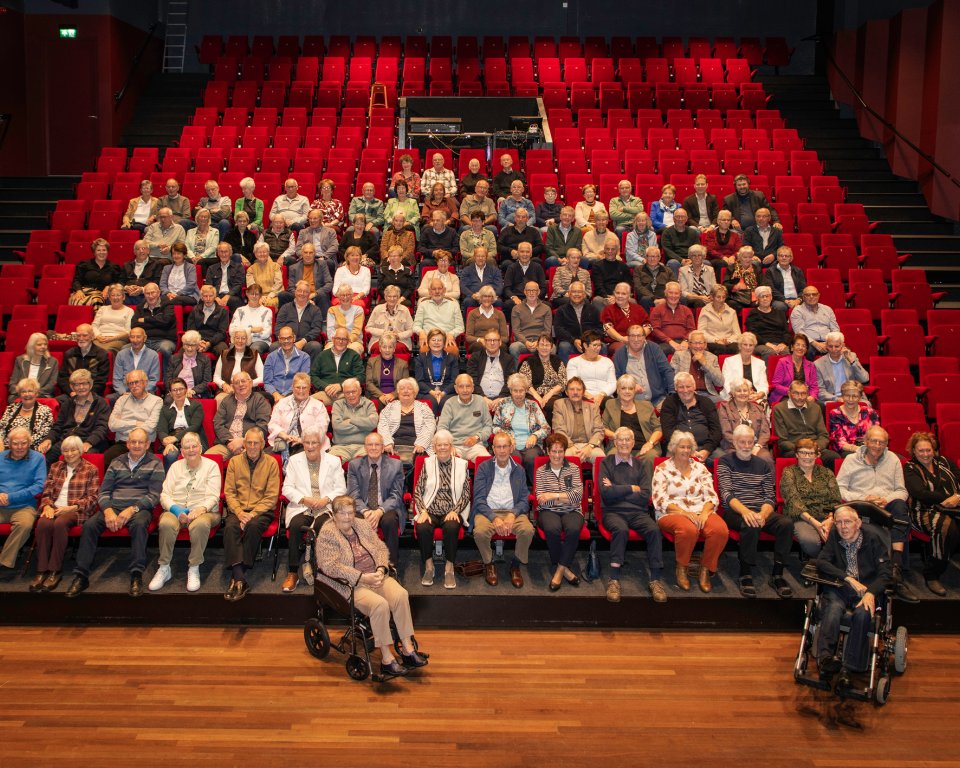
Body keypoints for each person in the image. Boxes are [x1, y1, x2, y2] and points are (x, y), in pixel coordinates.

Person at [316, 495, 428, 677]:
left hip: (375, 576)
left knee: (400, 594)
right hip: (351, 585)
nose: (347, 517)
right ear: (334, 514)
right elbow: (330, 566)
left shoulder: (361, 524)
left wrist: (381, 568)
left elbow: (380, 548)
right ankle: (386, 659)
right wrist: (362, 577)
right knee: (380, 605)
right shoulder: (328, 533)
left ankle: (408, 649)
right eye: (342, 513)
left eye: (350, 512)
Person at [64, 428, 164, 598]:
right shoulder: (116, 462)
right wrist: (108, 510)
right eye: (133, 442)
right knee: (89, 525)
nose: (137, 445)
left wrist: (132, 509)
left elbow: (154, 495)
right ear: (127, 443)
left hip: (140, 507)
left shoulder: (155, 463)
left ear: (147, 444)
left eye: (141, 442)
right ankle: (81, 575)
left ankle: (136, 573)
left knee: (139, 525)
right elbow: (103, 492)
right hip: (113, 506)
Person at [836, 425, 918, 602]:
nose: (878, 445)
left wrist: (885, 499)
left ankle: (896, 566)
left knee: (900, 507)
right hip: (860, 506)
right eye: (874, 441)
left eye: (882, 442)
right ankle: (892, 575)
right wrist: (864, 498)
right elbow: (839, 489)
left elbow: (902, 491)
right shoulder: (851, 460)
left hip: (885, 505)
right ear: (866, 441)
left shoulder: (893, 459)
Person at [814, 505, 892, 683]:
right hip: (841, 588)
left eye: (847, 522)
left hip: (866, 591)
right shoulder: (834, 537)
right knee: (832, 609)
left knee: (862, 615)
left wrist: (871, 593)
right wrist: (847, 578)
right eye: (839, 523)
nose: (843, 527)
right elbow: (822, 562)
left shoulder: (873, 540)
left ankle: (849, 667)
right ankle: (825, 659)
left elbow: (886, 572)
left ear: (858, 523)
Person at [717, 424, 794, 598]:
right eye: (742, 442)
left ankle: (778, 573)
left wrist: (762, 514)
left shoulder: (763, 464)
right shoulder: (725, 462)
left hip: (761, 510)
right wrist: (747, 513)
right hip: (735, 511)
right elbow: (727, 494)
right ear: (735, 443)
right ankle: (745, 572)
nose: (746, 446)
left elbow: (769, 497)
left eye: (749, 442)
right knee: (749, 524)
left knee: (786, 524)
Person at [652, 430, 728, 592]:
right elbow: (659, 500)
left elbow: (711, 496)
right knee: (688, 529)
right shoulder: (662, 468)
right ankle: (682, 567)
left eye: (689, 447)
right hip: (671, 512)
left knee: (720, 530)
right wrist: (685, 513)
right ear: (673, 448)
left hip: (701, 510)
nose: (686, 450)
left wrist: (705, 513)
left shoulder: (700, 468)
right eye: (682, 447)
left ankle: (705, 569)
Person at [598, 427, 667, 603]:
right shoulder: (606, 463)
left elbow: (645, 495)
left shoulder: (641, 465)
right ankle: (614, 579)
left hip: (638, 512)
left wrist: (616, 488)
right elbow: (605, 494)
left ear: (633, 443)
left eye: (628, 440)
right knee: (620, 530)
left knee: (653, 530)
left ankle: (655, 580)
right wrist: (630, 488)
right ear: (614, 443)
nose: (624, 443)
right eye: (620, 440)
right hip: (613, 512)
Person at [149, 432, 221, 593]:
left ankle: (194, 567)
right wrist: (176, 510)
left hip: (205, 510)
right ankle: (164, 567)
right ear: (181, 451)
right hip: (176, 508)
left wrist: (200, 510)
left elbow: (213, 496)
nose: (191, 450)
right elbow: (165, 495)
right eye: (186, 447)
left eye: (194, 446)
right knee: (166, 523)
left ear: (201, 448)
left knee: (200, 525)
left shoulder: (212, 466)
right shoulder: (175, 467)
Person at [29, 436, 100, 592]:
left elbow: (94, 497)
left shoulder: (90, 469)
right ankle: (41, 570)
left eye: (73, 450)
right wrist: (47, 506)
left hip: (76, 511)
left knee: (60, 523)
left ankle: (55, 570)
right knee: (43, 523)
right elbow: (46, 491)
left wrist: (73, 507)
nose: (69, 454)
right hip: (54, 508)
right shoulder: (55, 467)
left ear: (81, 451)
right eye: (66, 450)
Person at [278, 429, 344, 592]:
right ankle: (293, 572)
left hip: (325, 506)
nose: (310, 446)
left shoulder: (334, 461)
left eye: (314, 442)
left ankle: (326, 572)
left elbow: (341, 488)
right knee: (296, 526)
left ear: (321, 444)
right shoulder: (294, 461)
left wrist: (326, 499)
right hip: (302, 506)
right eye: (307, 442)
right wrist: (304, 499)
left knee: (323, 526)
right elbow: (286, 488)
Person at [222, 427, 281, 602]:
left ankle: (237, 574)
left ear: (263, 444)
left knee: (254, 526)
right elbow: (229, 492)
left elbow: (271, 496)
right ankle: (240, 578)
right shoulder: (234, 462)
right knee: (230, 527)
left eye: (256, 443)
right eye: (249, 442)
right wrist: (240, 512)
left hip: (261, 510)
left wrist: (252, 513)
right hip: (238, 509)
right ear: (244, 443)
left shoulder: (271, 463)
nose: (253, 446)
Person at [471, 431, 534, 588]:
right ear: (493, 448)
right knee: (479, 533)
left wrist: (512, 515)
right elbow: (478, 499)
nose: (502, 450)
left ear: (511, 448)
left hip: (512, 511)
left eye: (505, 446)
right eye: (498, 447)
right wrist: (494, 518)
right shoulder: (484, 468)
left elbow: (524, 500)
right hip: (487, 511)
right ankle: (489, 563)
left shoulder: (519, 469)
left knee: (527, 530)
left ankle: (515, 564)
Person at [904, 431, 960, 596]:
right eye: (921, 451)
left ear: (934, 449)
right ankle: (932, 573)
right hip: (922, 511)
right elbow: (920, 493)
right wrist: (949, 497)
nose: (925, 454)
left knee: (951, 524)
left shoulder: (945, 462)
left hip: (954, 507)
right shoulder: (910, 467)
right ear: (914, 451)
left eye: (928, 450)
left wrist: (957, 497)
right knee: (945, 527)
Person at [414, 430, 470, 589]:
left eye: (446, 444)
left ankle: (449, 567)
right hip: (430, 508)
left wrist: (456, 510)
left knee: (452, 527)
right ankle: (429, 565)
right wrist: (423, 511)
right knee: (423, 527)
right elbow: (418, 490)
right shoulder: (427, 463)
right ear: (434, 447)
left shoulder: (462, 464)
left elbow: (466, 493)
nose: (443, 448)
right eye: (440, 445)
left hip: (451, 509)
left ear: (451, 446)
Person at [346, 432, 406, 567]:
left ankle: (391, 565)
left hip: (386, 507)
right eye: (370, 444)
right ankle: (359, 565)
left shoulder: (395, 465)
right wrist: (366, 512)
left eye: (377, 444)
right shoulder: (354, 465)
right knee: (354, 518)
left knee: (389, 520)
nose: (373, 448)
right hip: (363, 506)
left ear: (383, 447)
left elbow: (396, 495)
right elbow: (353, 494)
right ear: (365, 447)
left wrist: (379, 511)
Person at [536, 432, 586, 591]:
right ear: (548, 452)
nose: (557, 455)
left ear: (565, 452)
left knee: (573, 529)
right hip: (547, 511)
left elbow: (577, 496)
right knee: (552, 528)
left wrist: (553, 495)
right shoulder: (541, 471)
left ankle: (559, 570)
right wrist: (565, 497)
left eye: (560, 451)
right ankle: (565, 570)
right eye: (554, 451)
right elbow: (541, 499)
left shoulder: (574, 468)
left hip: (572, 511)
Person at [781, 437, 843, 558]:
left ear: (817, 455)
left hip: (827, 517)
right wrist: (816, 524)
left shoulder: (826, 472)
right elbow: (794, 502)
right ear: (796, 455)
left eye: (811, 453)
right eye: (803, 452)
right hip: (802, 517)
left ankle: (831, 564)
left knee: (844, 535)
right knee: (812, 544)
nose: (807, 457)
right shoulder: (789, 473)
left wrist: (830, 519)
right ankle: (822, 562)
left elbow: (836, 499)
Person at [0, 426, 47, 570]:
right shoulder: (0, 457)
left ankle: (3, 562)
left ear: (29, 442)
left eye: (23, 443)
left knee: (24, 525)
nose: (19, 447)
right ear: (9, 443)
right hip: (0, 504)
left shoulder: (38, 458)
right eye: (15, 443)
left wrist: (11, 497)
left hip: (24, 506)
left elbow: (39, 485)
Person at [40, 369, 110, 464]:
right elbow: (58, 426)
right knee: (43, 459)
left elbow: (101, 428)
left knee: (86, 459)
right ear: (72, 387)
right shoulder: (68, 403)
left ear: (91, 384)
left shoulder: (100, 403)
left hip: (89, 441)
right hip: (66, 441)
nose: (81, 387)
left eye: (84, 383)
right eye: (77, 384)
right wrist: (48, 439)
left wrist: (89, 442)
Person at [491, 373, 548, 483]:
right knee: (514, 459)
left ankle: (536, 490)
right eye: (515, 390)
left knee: (532, 458)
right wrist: (507, 437)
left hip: (531, 445)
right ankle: (514, 490)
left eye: (521, 390)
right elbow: (495, 427)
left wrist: (535, 435)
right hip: (510, 445)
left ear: (526, 390)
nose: (518, 394)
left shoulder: (533, 405)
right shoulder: (503, 404)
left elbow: (546, 428)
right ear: (510, 390)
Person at [659, 372, 723, 464]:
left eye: (688, 386)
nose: (685, 390)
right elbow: (668, 431)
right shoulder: (669, 403)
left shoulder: (706, 402)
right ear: (676, 389)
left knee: (724, 461)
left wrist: (706, 450)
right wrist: (689, 450)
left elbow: (716, 431)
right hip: (678, 447)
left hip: (706, 448)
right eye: (681, 387)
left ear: (694, 386)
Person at [773, 380, 840, 465]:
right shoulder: (779, 409)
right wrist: (803, 450)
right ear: (789, 393)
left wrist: (814, 449)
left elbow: (823, 435)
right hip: (793, 450)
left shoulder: (816, 408)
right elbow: (782, 441)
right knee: (806, 459)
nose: (800, 397)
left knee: (833, 458)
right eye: (796, 393)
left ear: (808, 394)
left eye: (803, 393)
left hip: (815, 447)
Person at [207, 372, 271, 460]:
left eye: (243, 381)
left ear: (251, 383)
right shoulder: (226, 401)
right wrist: (229, 442)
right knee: (208, 458)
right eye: (237, 383)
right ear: (232, 386)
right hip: (227, 443)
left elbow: (263, 425)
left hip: (250, 444)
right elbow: (218, 423)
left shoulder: (259, 400)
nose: (240, 385)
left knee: (246, 462)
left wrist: (243, 441)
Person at [266, 372, 330, 461]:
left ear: (309, 388)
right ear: (292, 387)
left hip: (309, 444)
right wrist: (283, 434)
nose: (301, 391)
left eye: (304, 387)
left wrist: (302, 440)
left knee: (297, 460)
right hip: (284, 441)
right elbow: (272, 424)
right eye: (298, 387)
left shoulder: (318, 405)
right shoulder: (282, 403)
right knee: (264, 459)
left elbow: (321, 428)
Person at [602, 373, 662, 465]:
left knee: (650, 457)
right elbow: (602, 427)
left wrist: (650, 443)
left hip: (644, 446)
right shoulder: (610, 404)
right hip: (619, 446)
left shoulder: (646, 406)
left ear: (634, 391)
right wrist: (617, 437)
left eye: (631, 388)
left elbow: (658, 429)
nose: (627, 391)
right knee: (614, 456)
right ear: (618, 390)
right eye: (623, 388)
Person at [105, 370, 162, 465]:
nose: (134, 386)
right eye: (130, 383)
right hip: (123, 443)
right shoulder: (122, 399)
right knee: (108, 459)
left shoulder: (157, 401)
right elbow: (112, 425)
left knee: (149, 465)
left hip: (144, 444)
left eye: (137, 382)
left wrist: (123, 424)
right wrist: (136, 423)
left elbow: (150, 427)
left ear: (145, 382)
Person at [611, 325, 676, 408]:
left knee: (671, 414)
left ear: (645, 337)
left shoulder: (653, 348)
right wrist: (631, 385)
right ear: (627, 337)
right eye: (632, 336)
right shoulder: (620, 353)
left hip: (658, 400)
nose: (636, 339)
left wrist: (672, 392)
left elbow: (667, 370)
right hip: (632, 402)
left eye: (639, 336)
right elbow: (617, 377)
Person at [377, 377, 436, 464]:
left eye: (409, 388)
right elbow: (382, 425)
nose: (405, 391)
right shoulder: (390, 407)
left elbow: (430, 426)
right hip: (394, 445)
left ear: (415, 393)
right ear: (398, 392)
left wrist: (421, 444)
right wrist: (387, 442)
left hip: (417, 446)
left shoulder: (424, 407)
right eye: (402, 388)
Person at [717, 379, 773, 467]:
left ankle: (765, 481)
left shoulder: (758, 408)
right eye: (739, 391)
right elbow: (726, 432)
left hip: (755, 446)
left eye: (745, 390)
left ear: (750, 392)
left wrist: (757, 446)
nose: (742, 393)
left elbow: (765, 432)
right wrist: (744, 446)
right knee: (739, 459)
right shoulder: (724, 408)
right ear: (733, 393)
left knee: (765, 458)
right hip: (734, 446)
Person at [157, 377, 207, 470]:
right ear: (170, 393)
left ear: (186, 390)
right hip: (172, 440)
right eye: (175, 390)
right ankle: (171, 483)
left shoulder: (196, 405)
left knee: (192, 451)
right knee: (170, 455)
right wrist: (167, 442)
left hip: (192, 437)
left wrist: (175, 438)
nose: (178, 392)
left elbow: (195, 426)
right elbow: (161, 429)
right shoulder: (165, 409)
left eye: (181, 389)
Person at [552, 377, 605, 463]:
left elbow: (599, 430)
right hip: (568, 445)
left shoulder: (593, 407)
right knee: (563, 457)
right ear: (566, 392)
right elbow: (559, 430)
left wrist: (590, 446)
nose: (575, 392)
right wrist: (571, 446)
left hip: (590, 445)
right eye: (572, 389)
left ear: (583, 392)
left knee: (600, 458)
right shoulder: (559, 405)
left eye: (578, 389)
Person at [274, 281, 325, 365]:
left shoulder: (315, 310)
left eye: (305, 292)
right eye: (299, 290)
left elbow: (316, 329)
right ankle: (280, 375)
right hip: (286, 340)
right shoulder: (285, 308)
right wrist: (287, 340)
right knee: (274, 347)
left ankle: (310, 376)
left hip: (306, 342)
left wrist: (303, 341)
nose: (302, 293)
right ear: (295, 292)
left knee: (315, 347)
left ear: (309, 294)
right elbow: (278, 327)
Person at [310, 329, 365, 407]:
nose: (340, 341)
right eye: (338, 338)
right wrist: (325, 386)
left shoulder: (354, 356)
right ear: (333, 339)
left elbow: (361, 377)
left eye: (344, 339)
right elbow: (313, 376)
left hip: (346, 393)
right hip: (325, 393)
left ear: (348, 341)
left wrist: (341, 386)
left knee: (354, 405)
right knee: (307, 404)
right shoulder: (322, 355)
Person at [328, 378, 379, 461]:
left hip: (363, 447)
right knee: (329, 463)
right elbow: (337, 426)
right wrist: (363, 425)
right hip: (340, 447)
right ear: (343, 393)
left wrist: (350, 420)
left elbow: (372, 423)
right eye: (347, 392)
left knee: (368, 464)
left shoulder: (369, 404)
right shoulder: (337, 404)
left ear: (359, 391)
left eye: (353, 391)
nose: (351, 395)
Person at [131, 282, 177, 369]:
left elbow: (166, 322)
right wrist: (157, 321)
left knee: (165, 349)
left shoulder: (167, 304)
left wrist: (145, 320)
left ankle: (166, 379)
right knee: (125, 349)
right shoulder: (140, 306)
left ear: (159, 292)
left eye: (153, 292)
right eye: (147, 293)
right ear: (144, 294)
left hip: (164, 339)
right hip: (144, 341)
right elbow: (134, 325)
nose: (150, 296)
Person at [814, 332, 870, 404]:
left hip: (853, 396)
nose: (833, 349)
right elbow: (820, 391)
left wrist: (852, 362)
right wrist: (837, 399)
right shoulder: (818, 364)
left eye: (837, 346)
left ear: (843, 345)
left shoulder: (851, 357)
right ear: (826, 346)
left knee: (866, 404)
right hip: (832, 399)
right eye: (830, 346)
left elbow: (865, 379)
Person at [466, 329, 516, 410]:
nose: (492, 343)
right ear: (484, 343)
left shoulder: (508, 359)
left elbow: (510, 381)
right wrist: (483, 397)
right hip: (479, 398)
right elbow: (472, 380)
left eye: (495, 340)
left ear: (500, 342)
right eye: (489, 340)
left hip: (503, 399)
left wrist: (501, 397)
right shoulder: (475, 357)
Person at [519, 335, 567, 418]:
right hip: (533, 393)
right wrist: (538, 398)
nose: (544, 347)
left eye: (547, 345)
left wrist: (549, 394)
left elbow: (563, 382)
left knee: (553, 405)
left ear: (551, 347)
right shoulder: (528, 361)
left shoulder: (558, 361)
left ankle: (550, 430)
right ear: (537, 346)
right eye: (542, 344)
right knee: (533, 404)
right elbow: (525, 383)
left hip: (554, 394)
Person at [554, 281, 603, 363]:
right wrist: (574, 340)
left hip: (590, 342)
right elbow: (559, 330)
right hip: (570, 342)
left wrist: (589, 341)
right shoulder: (561, 310)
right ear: (569, 294)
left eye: (580, 292)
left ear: (584, 294)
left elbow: (599, 328)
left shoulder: (593, 309)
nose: (576, 294)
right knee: (564, 346)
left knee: (603, 346)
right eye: (574, 292)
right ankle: (565, 374)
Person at [413, 327, 458, 414]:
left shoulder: (452, 358)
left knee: (445, 402)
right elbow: (419, 381)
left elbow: (454, 381)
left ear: (444, 343)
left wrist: (443, 393)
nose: (436, 342)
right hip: (427, 391)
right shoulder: (420, 358)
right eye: (433, 340)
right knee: (431, 402)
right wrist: (432, 393)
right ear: (428, 342)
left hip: (447, 391)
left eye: (439, 340)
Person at [829, 381, 879, 456]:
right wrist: (857, 449)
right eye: (847, 395)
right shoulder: (835, 413)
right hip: (847, 450)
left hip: (869, 449)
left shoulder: (870, 412)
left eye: (855, 396)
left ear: (860, 397)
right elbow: (839, 441)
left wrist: (868, 448)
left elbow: (876, 435)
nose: (850, 399)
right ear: (842, 396)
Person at [263, 326, 312, 404]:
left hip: (295, 394)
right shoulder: (271, 357)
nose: (286, 341)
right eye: (283, 338)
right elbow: (267, 382)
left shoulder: (304, 357)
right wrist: (275, 394)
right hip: (273, 395)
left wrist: (284, 397)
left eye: (289, 338)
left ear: (294, 338)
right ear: (279, 339)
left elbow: (302, 381)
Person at [670, 330, 724, 401]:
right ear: (689, 344)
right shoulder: (679, 355)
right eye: (695, 343)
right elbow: (673, 378)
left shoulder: (712, 358)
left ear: (705, 344)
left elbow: (720, 383)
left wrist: (704, 363)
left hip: (707, 394)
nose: (698, 346)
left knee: (720, 402)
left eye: (701, 343)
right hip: (685, 392)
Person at [567, 330, 616, 406]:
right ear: (585, 346)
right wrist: (586, 395)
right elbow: (572, 383)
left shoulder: (607, 362)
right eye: (595, 345)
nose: (598, 348)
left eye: (599, 345)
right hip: (582, 395)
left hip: (604, 396)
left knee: (611, 403)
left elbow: (613, 383)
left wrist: (601, 394)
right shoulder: (574, 362)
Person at [412, 281, 464, 352]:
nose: (437, 291)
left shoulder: (454, 305)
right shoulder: (422, 305)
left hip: (447, 339)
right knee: (424, 351)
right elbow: (415, 326)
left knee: (452, 351)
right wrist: (421, 332)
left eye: (439, 288)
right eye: (434, 289)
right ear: (430, 291)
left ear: (444, 290)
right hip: (429, 339)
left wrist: (452, 334)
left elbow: (460, 327)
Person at [0, 381, 51, 452]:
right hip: (7, 446)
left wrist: (20, 444)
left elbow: (44, 433)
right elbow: (1, 428)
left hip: (30, 447)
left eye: (30, 391)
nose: (27, 394)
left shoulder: (45, 411)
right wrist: (0, 441)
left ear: (36, 393)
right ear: (19, 394)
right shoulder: (11, 408)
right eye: (23, 392)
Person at [769, 333, 819, 406]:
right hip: (785, 396)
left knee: (819, 406)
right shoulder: (782, 362)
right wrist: (793, 392)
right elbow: (776, 385)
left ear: (806, 349)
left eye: (804, 346)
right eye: (797, 345)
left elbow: (814, 386)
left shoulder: (811, 365)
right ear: (792, 347)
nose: (800, 348)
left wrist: (812, 396)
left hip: (804, 397)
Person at [70, 238, 122, 307]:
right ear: (94, 252)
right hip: (84, 292)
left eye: (104, 250)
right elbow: (76, 280)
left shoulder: (114, 267)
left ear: (107, 252)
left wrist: (108, 287)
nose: (101, 252)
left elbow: (117, 282)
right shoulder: (84, 265)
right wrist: (78, 290)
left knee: (97, 301)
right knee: (77, 300)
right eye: (98, 250)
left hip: (102, 295)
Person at [213, 329, 264, 397]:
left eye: (243, 338)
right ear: (233, 339)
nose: (240, 341)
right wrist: (224, 385)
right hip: (229, 390)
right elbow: (216, 377)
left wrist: (247, 385)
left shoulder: (254, 354)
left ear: (247, 340)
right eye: (237, 338)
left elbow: (262, 377)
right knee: (220, 399)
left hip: (249, 391)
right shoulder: (224, 354)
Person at [600, 282, 648, 354]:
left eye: (623, 294)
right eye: (617, 293)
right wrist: (622, 339)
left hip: (638, 340)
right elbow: (608, 328)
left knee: (652, 348)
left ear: (629, 295)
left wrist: (638, 337)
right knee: (624, 350)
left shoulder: (638, 308)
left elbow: (648, 326)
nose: (620, 296)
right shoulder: (608, 309)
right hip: (617, 342)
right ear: (614, 294)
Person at [745, 285, 791, 360]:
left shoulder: (780, 313)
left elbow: (786, 332)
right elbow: (752, 333)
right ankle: (767, 372)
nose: (765, 299)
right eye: (762, 296)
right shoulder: (753, 314)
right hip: (761, 344)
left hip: (779, 343)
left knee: (787, 351)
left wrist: (783, 343)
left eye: (767, 296)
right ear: (757, 299)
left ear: (771, 298)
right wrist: (768, 344)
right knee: (769, 352)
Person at [364, 333, 410, 408]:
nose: (387, 350)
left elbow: (404, 384)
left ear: (394, 348)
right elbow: (369, 383)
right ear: (380, 348)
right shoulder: (371, 362)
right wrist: (381, 395)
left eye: (390, 347)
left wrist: (393, 395)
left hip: (396, 395)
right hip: (376, 395)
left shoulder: (403, 364)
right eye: (384, 347)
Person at [790, 286, 839, 356]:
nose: (811, 297)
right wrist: (815, 344)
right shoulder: (798, 311)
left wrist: (830, 342)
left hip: (828, 342)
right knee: (807, 350)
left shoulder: (827, 309)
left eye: (814, 294)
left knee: (844, 350)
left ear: (818, 295)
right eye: (808, 295)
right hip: (809, 342)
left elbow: (835, 329)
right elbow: (799, 332)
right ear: (803, 297)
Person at [719, 332, 768, 403]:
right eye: (745, 344)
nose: (748, 348)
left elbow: (764, 385)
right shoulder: (729, 361)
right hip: (734, 395)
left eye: (751, 345)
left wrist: (758, 395)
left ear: (754, 347)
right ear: (739, 346)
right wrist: (740, 395)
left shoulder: (760, 363)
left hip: (754, 396)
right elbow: (726, 383)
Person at [510, 280, 553, 360]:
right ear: (525, 292)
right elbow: (516, 330)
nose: (531, 293)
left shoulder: (546, 309)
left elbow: (547, 330)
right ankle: (517, 372)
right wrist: (526, 342)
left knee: (553, 349)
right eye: (529, 290)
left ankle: (546, 372)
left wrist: (538, 342)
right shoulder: (516, 309)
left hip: (541, 341)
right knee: (514, 348)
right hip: (523, 342)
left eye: (534, 290)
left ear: (539, 292)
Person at [10, 333, 59, 403]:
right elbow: (13, 382)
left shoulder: (53, 362)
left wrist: (34, 393)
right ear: (31, 346)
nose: (43, 347)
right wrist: (22, 392)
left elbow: (52, 384)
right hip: (21, 395)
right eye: (39, 345)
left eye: (45, 344)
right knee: (13, 400)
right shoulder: (20, 360)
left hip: (42, 395)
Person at [648, 282, 695, 354]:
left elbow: (691, 329)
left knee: (701, 349)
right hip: (664, 343)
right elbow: (655, 330)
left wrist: (686, 341)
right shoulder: (657, 310)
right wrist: (669, 341)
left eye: (676, 293)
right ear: (665, 294)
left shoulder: (686, 310)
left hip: (683, 341)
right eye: (671, 293)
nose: (673, 296)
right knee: (656, 352)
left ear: (680, 295)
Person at [111, 328, 160, 397]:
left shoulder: (153, 355)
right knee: (110, 399)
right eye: (132, 337)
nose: (135, 340)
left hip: (145, 393)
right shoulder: (121, 354)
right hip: (125, 393)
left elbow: (154, 379)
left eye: (138, 337)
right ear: (129, 338)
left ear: (145, 338)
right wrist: (123, 392)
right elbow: (117, 379)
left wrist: (140, 392)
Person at [185, 284, 230, 356]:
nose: (208, 299)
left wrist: (209, 343)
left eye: (211, 296)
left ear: (215, 296)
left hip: (215, 340)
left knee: (223, 351)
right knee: (184, 350)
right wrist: (199, 342)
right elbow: (191, 329)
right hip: (197, 339)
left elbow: (222, 332)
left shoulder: (222, 311)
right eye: (205, 296)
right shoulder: (195, 309)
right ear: (202, 297)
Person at [165, 330, 212, 400]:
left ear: (197, 346)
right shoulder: (174, 359)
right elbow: (168, 379)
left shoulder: (205, 359)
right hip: (176, 391)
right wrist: (176, 390)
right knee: (168, 400)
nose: (189, 348)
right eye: (187, 345)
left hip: (195, 393)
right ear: (183, 345)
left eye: (193, 345)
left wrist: (193, 390)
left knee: (192, 402)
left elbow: (206, 381)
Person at [229, 283, 273, 355]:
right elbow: (232, 331)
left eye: (257, 294)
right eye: (252, 294)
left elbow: (266, 333)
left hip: (260, 341)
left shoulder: (267, 311)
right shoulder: (239, 310)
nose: (254, 296)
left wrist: (242, 331)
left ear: (261, 295)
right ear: (247, 294)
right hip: (240, 340)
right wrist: (252, 330)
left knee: (254, 350)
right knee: (232, 349)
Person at [696, 284, 740, 355]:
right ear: (712, 297)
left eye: (723, 297)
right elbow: (701, 332)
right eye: (718, 297)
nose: (721, 300)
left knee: (736, 347)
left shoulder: (732, 312)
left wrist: (728, 341)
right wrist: (715, 340)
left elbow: (737, 334)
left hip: (729, 342)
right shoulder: (705, 310)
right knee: (720, 348)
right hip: (712, 342)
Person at [702, 208, 743, 281]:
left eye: (728, 220)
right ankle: (720, 286)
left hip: (732, 259)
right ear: (718, 221)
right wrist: (723, 257)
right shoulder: (710, 234)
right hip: (715, 259)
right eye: (724, 220)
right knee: (721, 263)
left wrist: (733, 257)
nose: (726, 222)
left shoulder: (735, 235)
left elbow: (739, 250)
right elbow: (710, 250)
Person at [205, 241, 246, 313]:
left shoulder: (238, 267)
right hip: (215, 295)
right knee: (204, 301)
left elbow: (238, 285)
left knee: (235, 301)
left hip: (233, 296)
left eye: (226, 252)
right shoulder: (211, 268)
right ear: (218, 253)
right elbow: (209, 285)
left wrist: (228, 296)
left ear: (230, 253)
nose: (223, 254)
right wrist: (216, 297)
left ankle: (235, 324)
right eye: (221, 252)